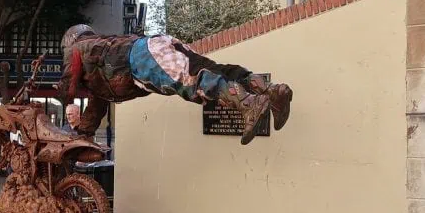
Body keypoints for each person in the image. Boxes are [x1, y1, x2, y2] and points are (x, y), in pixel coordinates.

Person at [53, 24, 293, 146]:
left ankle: (249, 104)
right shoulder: (97, 66)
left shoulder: (77, 49)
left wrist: (64, 99)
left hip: (141, 58)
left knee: (194, 83)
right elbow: (97, 106)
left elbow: (67, 84)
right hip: (155, 46)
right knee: (215, 71)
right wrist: (83, 136)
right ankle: (272, 91)